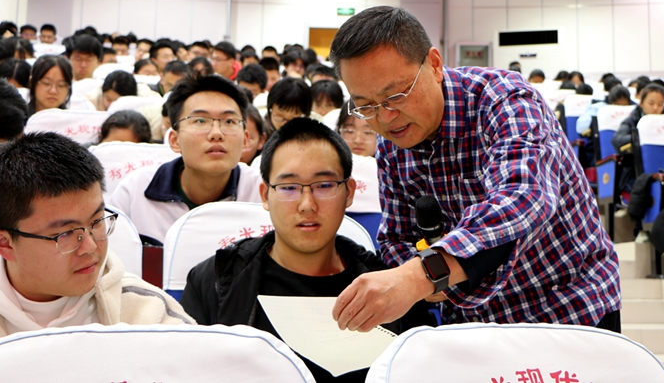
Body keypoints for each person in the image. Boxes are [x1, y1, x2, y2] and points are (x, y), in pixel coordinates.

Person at [328, 6, 620, 331]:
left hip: (567, 309)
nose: (385, 117)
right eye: (366, 105)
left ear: (434, 65)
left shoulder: (505, 99)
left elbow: (522, 198)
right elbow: (397, 237)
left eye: (395, 95)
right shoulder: (392, 145)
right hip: (474, 325)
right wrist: (423, 276)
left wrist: (420, 275)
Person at [180, 117, 430, 383]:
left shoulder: (389, 286)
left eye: (324, 186)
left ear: (349, 192)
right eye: (289, 188)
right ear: (265, 195)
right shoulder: (215, 280)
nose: (307, 205)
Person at [0, 132, 193, 336]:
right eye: (65, 233)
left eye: (97, 221)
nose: (90, 247)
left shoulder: (146, 313)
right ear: (5, 243)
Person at [110, 74, 262, 243]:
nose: (216, 133)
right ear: (175, 140)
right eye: (201, 121)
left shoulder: (263, 194)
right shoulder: (134, 193)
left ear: (245, 140)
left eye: (229, 122)